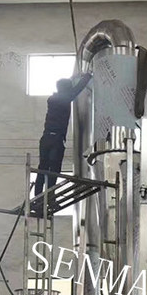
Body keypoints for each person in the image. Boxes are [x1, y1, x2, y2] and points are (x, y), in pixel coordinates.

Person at [34, 73, 92, 201]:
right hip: (56, 140)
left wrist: (72, 77)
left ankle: (37, 197)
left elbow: (68, 89)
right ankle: (50, 198)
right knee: (54, 170)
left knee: (42, 168)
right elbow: (78, 89)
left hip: (46, 139)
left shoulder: (52, 99)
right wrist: (88, 75)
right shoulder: (65, 99)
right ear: (67, 89)